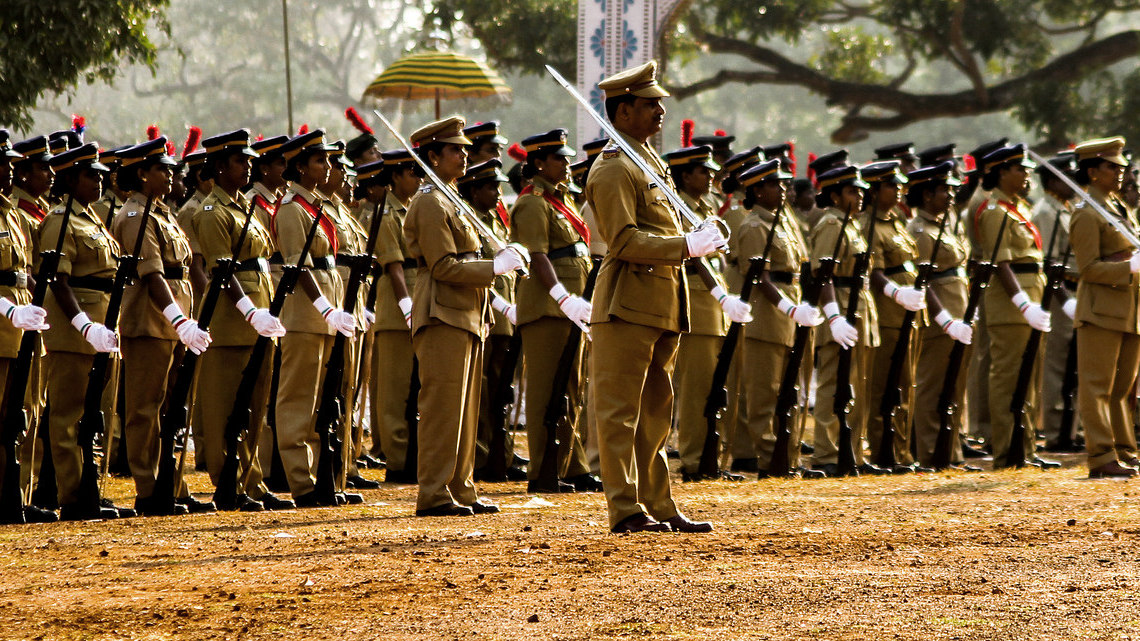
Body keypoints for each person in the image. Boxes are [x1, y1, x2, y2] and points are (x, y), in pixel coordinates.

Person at [585, 60, 724, 533]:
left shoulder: (650, 161)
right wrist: (686, 246)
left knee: (655, 415)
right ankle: (624, 509)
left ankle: (659, 503)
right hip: (626, 304)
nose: (661, 110)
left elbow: (665, 228)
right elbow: (621, 240)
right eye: (650, 104)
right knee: (621, 413)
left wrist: (698, 233)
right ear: (623, 112)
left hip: (662, 303)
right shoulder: (612, 169)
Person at [403, 116, 523, 517]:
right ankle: (434, 493)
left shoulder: (451, 197)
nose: (465, 154)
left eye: (465, 149)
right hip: (442, 311)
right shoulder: (429, 201)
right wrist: (495, 269)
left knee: (466, 407)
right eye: (456, 149)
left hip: (467, 311)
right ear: (432, 156)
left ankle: (460, 486)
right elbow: (443, 266)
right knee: (442, 407)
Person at [110, 137, 213, 516]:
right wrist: (178, 319)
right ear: (141, 173)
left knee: (173, 410)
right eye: (160, 169)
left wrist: (184, 320)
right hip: (151, 322)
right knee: (145, 409)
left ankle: (173, 485)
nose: (170, 174)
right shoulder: (134, 217)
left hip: (173, 320)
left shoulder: (162, 213)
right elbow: (152, 276)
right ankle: (149, 489)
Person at [193, 129, 292, 511]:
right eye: (240, 160)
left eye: (249, 160)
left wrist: (264, 311)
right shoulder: (212, 212)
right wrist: (250, 311)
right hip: (232, 320)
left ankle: (252, 479)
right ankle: (227, 482)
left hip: (261, 316)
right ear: (219, 167)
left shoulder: (243, 207)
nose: (248, 165)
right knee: (224, 406)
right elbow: (221, 270)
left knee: (255, 404)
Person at [39, 143, 129, 520]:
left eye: (100, 174)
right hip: (76, 328)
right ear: (71, 178)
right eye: (91, 174)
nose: (100, 179)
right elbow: (58, 280)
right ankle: (74, 495)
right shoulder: (60, 221)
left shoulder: (91, 219)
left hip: (103, 325)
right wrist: (83, 325)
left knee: (94, 412)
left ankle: (92, 486)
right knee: (67, 414)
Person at [510, 130, 601, 493]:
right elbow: (537, 255)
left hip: (569, 303)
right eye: (559, 158)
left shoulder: (557, 199)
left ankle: (571, 464)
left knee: (571, 387)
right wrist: (562, 296)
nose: (566, 163)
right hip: (548, 305)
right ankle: (543, 469)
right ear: (539, 164)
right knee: (548, 391)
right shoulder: (532, 203)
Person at [271, 129, 357, 507]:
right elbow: (297, 265)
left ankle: (325, 478)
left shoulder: (315, 204)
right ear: (301, 167)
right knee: (299, 398)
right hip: (306, 314)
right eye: (320, 160)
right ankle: (302, 482)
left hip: (327, 309)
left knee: (325, 399)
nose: (328, 166)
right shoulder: (291, 208)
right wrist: (324, 307)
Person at [662, 144, 749, 481]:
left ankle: (715, 459)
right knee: (698, 387)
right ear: (685, 176)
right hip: (697, 304)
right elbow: (694, 258)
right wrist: (719, 292)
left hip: (716, 305)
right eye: (703, 171)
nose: (712, 176)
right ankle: (696, 460)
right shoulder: (678, 208)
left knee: (717, 385)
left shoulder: (708, 205)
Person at [731, 159, 821, 476]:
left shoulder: (782, 223)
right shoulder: (754, 226)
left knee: (790, 392)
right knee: (765, 395)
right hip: (768, 316)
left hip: (790, 308)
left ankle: (790, 457)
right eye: (776, 184)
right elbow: (760, 277)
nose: (784, 189)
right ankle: (771, 460)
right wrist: (789, 308)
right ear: (757, 191)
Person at [974, 144, 1059, 469]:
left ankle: (1025, 448)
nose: (1026, 175)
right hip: (1012, 304)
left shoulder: (1016, 208)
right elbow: (1000, 262)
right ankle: (1007, 451)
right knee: (1008, 377)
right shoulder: (994, 210)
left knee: (1030, 376)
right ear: (1001, 172)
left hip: (1031, 297)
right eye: (1020, 169)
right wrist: (1023, 303)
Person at [1068, 137, 1140, 478]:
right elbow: (1088, 269)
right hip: (1100, 310)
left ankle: (1124, 449)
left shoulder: (1117, 208)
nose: (1120, 170)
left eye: (1120, 165)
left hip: (1128, 307)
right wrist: (1128, 267)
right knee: (1098, 387)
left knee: (1124, 388)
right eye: (1112, 165)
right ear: (1093, 172)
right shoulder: (1085, 212)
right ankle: (1100, 456)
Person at [808, 165, 878, 477]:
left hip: (858, 306)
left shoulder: (851, 224)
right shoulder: (831, 224)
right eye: (852, 191)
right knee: (832, 384)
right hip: (839, 308)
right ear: (835, 195)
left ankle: (851, 452)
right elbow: (823, 276)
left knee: (854, 384)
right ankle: (826, 453)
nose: (860, 196)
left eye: (861, 191)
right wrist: (833, 316)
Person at [457, 158, 524, 483]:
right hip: (487, 314)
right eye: (490, 187)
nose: (497, 193)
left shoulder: (496, 222)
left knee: (502, 392)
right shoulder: (469, 221)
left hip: (506, 318)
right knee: (483, 393)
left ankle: (502, 453)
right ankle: (482, 458)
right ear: (473, 190)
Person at [905, 162, 976, 467]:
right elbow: (922, 281)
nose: (950, 195)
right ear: (926, 195)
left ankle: (951, 450)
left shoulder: (943, 225)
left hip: (960, 309)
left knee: (956, 383)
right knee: (933, 384)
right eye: (943, 190)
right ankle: (931, 451)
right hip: (940, 317)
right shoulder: (919, 231)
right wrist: (944, 318)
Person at [861, 160, 927, 474]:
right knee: (882, 386)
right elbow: (874, 272)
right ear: (874, 191)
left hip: (909, 312)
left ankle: (901, 451)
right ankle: (881, 451)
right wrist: (896, 293)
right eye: (891, 185)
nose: (898, 189)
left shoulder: (896, 220)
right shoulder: (869, 224)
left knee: (905, 384)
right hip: (888, 312)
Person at [369, 149, 422, 484]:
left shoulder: (411, 209)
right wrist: (406, 306)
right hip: (397, 308)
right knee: (395, 390)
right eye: (412, 173)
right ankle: (398, 461)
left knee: (416, 386)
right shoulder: (387, 213)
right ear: (395, 176)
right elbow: (394, 266)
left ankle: (413, 456)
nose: (418, 179)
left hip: (420, 302)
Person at [1031, 153, 1083, 452]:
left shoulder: (1064, 209)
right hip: (1060, 295)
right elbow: (1049, 264)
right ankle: (1055, 431)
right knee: (1057, 364)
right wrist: (1064, 301)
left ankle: (1069, 430)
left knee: (1073, 365)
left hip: (1076, 291)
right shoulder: (1046, 213)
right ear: (1052, 181)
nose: (1073, 181)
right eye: (1066, 176)